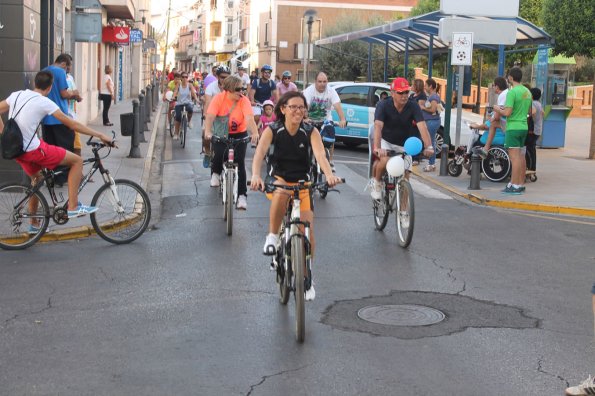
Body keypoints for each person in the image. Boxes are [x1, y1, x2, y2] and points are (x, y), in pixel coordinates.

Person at [250, 91, 342, 301]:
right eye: (294, 107)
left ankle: (307, 277)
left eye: (302, 107)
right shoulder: (273, 130)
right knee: (282, 191)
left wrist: (329, 175)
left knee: (308, 234)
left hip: (303, 183)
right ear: (283, 109)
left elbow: (320, 155)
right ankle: (272, 236)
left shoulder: (310, 131)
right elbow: (259, 154)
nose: (298, 111)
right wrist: (256, 175)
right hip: (279, 179)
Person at [0, 70, 114, 222]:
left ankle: (34, 223)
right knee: (77, 161)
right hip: (33, 150)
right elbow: (72, 124)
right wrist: (100, 135)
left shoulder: (17, 95)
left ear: (35, 83)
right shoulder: (44, 102)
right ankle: (73, 207)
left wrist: (4, 134)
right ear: (50, 87)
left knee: (37, 180)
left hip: (17, 150)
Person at [370, 77, 433, 201]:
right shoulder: (383, 105)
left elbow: (422, 126)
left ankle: (404, 214)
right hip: (386, 141)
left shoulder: (413, 106)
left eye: (406, 92)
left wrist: (429, 146)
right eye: (400, 92)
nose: (404, 96)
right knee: (384, 159)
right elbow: (378, 127)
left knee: (406, 177)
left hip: (405, 144)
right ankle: (377, 183)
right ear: (392, 93)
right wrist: (378, 148)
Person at [204, 76, 259, 209]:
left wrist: (255, 133)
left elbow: (249, 118)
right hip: (221, 133)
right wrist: (208, 131)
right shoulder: (218, 98)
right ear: (228, 89)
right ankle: (216, 173)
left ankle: (241, 196)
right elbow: (210, 116)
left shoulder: (244, 100)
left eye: (243, 89)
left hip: (240, 133)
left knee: (240, 162)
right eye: (238, 89)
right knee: (219, 154)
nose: (241, 92)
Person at [42, 53, 82, 187]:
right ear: (64, 64)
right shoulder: (60, 72)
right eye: (68, 68)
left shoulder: (44, 71)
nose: (67, 71)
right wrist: (74, 94)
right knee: (65, 149)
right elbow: (64, 93)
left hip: (46, 119)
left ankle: (51, 177)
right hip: (60, 119)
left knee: (50, 150)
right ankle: (62, 178)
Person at [492, 67, 532, 194]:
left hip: (513, 128)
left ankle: (514, 185)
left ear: (510, 78)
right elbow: (530, 112)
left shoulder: (512, 92)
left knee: (514, 158)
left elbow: (507, 112)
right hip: (523, 127)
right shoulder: (527, 92)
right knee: (520, 157)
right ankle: (519, 183)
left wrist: (497, 109)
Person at [302, 71, 347, 166]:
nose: (322, 84)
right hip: (310, 120)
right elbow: (305, 106)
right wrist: (305, 118)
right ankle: (305, 160)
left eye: (324, 81)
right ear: (315, 82)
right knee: (305, 140)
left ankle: (330, 160)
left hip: (325, 120)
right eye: (320, 81)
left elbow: (337, 106)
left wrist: (342, 119)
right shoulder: (309, 91)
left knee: (330, 135)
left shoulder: (331, 91)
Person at [483, 76, 509, 154]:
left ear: (497, 87)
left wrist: (493, 118)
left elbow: (498, 115)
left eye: (493, 85)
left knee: (493, 124)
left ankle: (486, 148)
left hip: (508, 124)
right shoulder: (507, 92)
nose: (493, 87)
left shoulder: (502, 95)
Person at [420, 78, 441, 172]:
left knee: (431, 143)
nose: (424, 87)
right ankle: (431, 163)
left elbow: (433, 110)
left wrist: (423, 107)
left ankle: (431, 164)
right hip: (430, 121)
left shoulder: (434, 97)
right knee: (430, 142)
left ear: (431, 86)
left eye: (426, 85)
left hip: (432, 122)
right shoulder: (432, 96)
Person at [171, 71, 199, 140]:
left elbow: (193, 93)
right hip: (179, 103)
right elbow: (175, 91)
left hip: (187, 103)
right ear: (181, 78)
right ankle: (176, 133)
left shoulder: (190, 85)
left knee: (190, 110)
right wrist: (173, 97)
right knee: (178, 117)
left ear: (187, 78)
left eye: (186, 77)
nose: (184, 78)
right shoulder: (178, 84)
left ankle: (189, 121)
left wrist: (196, 99)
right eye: (183, 77)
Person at [526, 87, 544, 173]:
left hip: (532, 131)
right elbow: (543, 113)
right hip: (538, 130)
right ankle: (532, 169)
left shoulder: (532, 103)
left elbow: (532, 112)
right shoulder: (539, 104)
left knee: (528, 149)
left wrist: (527, 115)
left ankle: (530, 168)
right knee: (532, 150)